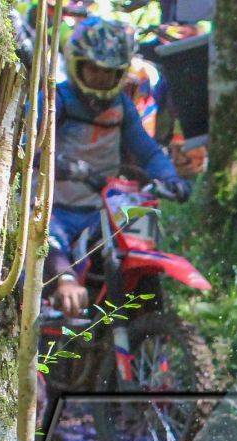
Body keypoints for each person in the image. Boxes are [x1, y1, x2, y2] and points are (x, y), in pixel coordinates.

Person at [43, 16, 191, 320]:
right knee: (49, 245)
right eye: (94, 69)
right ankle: (60, 293)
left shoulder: (121, 106)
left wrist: (170, 178)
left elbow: (147, 150)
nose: (101, 77)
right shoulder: (56, 99)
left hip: (102, 208)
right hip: (52, 208)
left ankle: (147, 316)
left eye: (110, 71)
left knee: (138, 235)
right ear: (77, 64)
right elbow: (28, 146)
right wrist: (60, 165)